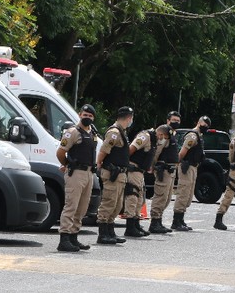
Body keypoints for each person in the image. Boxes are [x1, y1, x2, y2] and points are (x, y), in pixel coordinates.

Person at [54, 104, 98, 252]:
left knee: (82, 207)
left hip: (89, 173)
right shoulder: (72, 132)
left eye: (90, 116)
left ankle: (73, 237)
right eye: (85, 115)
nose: (87, 118)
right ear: (80, 115)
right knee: (71, 205)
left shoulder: (93, 133)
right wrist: (66, 164)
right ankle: (64, 239)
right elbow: (60, 152)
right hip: (76, 173)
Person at [94, 106, 134, 245]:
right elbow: (104, 151)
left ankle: (110, 232)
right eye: (131, 119)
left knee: (116, 205)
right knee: (108, 203)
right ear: (129, 118)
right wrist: (99, 163)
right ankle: (103, 233)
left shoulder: (121, 132)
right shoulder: (114, 132)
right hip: (112, 173)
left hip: (120, 174)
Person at [171, 116, 210, 231]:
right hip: (186, 167)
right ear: (198, 122)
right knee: (183, 193)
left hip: (193, 167)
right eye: (204, 123)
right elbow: (182, 152)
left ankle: (181, 219)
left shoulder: (199, 136)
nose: (206, 126)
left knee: (188, 195)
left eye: (208, 125)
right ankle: (176, 220)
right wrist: (176, 164)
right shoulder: (192, 136)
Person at [123, 126, 160, 238]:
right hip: (133, 169)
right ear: (160, 133)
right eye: (162, 136)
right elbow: (130, 149)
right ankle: (130, 227)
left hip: (140, 171)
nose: (162, 139)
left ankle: (135, 224)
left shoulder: (153, 139)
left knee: (140, 198)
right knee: (132, 196)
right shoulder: (145, 136)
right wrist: (124, 164)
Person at [149, 112, 182, 233]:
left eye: (178, 120)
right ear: (168, 120)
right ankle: (154, 222)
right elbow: (157, 152)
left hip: (171, 170)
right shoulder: (164, 133)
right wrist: (152, 166)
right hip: (164, 170)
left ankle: (159, 221)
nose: (176, 122)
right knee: (160, 196)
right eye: (173, 120)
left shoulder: (172, 134)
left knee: (167, 198)